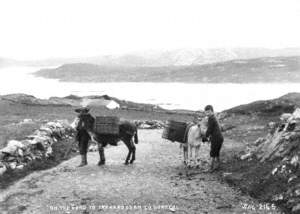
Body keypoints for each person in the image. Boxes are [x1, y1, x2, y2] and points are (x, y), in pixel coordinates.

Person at [204, 105, 224, 172]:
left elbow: (209, 129)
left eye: (208, 112)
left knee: (212, 153)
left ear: (212, 111)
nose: (207, 114)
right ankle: (218, 166)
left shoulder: (211, 118)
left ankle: (210, 168)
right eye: (206, 112)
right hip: (220, 137)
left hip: (216, 138)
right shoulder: (215, 117)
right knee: (216, 152)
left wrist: (205, 136)